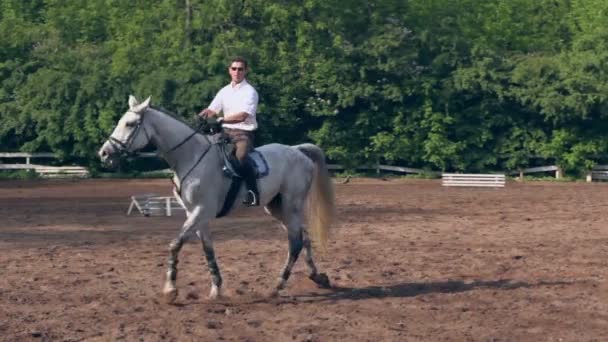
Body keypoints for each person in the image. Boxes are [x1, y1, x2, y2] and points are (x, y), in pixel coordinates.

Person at [198, 57, 260, 206]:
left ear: (246, 71)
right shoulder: (224, 91)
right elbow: (212, 110)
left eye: (240, 69)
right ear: (229, 70)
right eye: (234, 69)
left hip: (243, 133)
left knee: (240, 157)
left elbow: (243, 116)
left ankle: (253, 192)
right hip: (224, 132)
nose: (237, 72)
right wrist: (201, 117)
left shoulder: (250, 92)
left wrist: (222, 120)